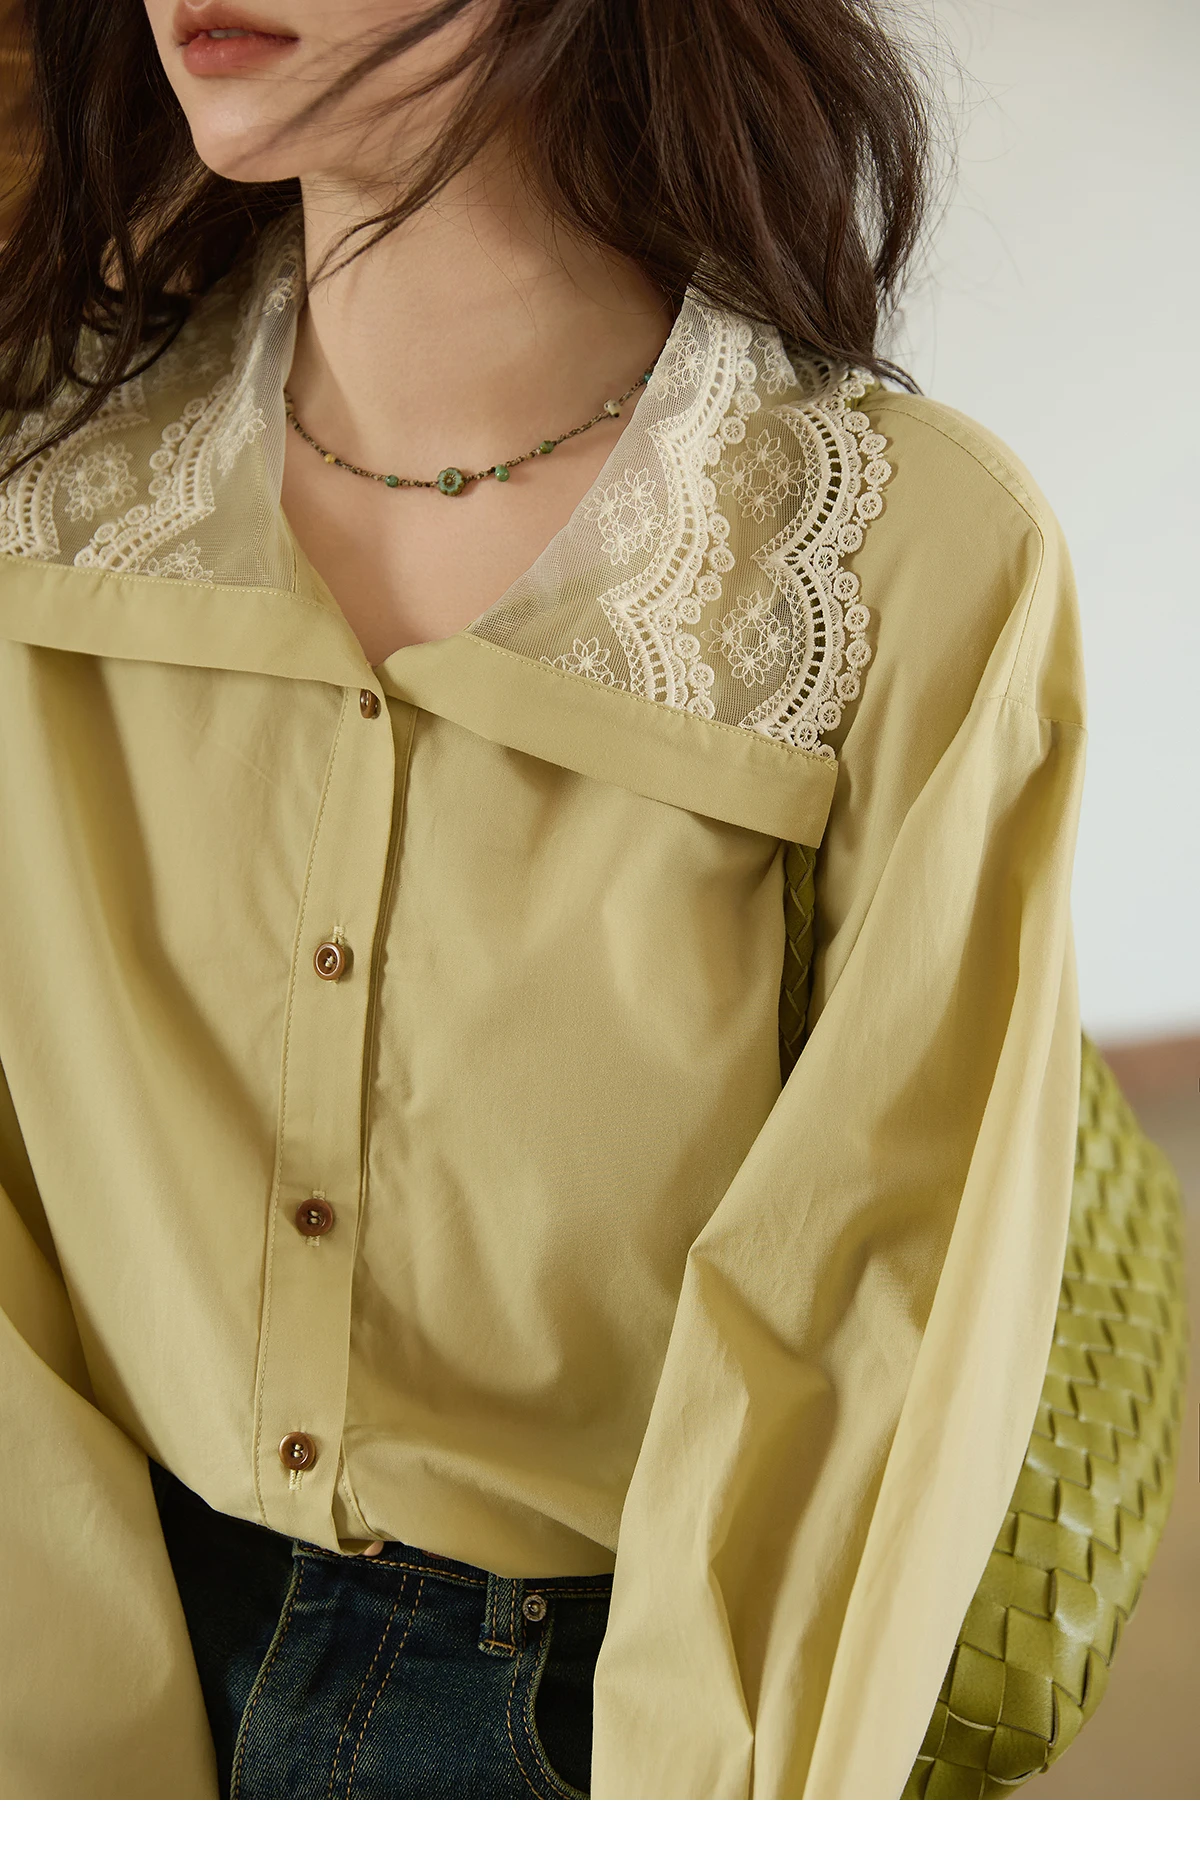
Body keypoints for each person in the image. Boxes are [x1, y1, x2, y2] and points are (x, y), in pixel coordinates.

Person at [0, 0, 1086, 1800]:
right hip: (89, 1659)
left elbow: (871, 1318)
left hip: (594, 1721)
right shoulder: (50, 490)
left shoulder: (898, 563)